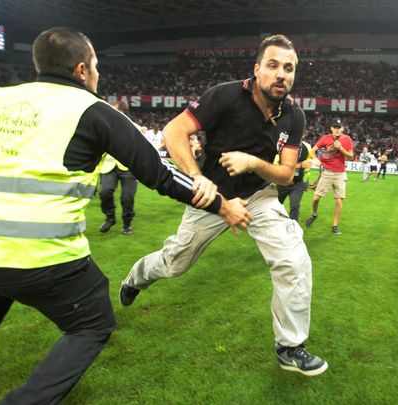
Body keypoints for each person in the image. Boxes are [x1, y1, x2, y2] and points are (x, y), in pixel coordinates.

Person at [0, 27, 249, 405]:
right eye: (97, 67)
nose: (98, 76)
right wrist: (221, 204)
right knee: (92, 323)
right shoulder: (93, 110)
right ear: (82, 70)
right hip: (42, 256)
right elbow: (157, 172)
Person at [119, 35, 328, 376]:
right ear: (257, 69)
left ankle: (290, 346)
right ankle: (136, 278)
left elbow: (287, 175)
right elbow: (174, 132)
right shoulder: (225, 95)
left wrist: (253, 162)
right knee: (174, 264)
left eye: (288, 69)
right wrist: (197, 176)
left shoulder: (293, 115)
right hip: (210, 198)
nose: (281, 74)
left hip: (259, 197)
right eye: (273, 65)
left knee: (293, 258)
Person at [305, 117, 354, 235]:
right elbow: (313, 150)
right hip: (326, 171)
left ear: (342, 128)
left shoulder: (347, 139)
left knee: (339, 200)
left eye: (339, 127)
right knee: (316, 198)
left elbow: (351, 156)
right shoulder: (325, 138)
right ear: (331, 128)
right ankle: (314, 214)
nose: (337, 130)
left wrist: (340, 148)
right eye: (335, 127)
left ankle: (335, 225)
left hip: (340, 173)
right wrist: (316, 159)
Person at [98, 101, 139, 235]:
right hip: (108, 165)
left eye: (115, 110)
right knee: (104, 192)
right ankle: (110, 217)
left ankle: (127, 224)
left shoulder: (134, 127)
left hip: (128, 167)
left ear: (123, 112)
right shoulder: (104, 126)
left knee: (127, 198)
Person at [276, 138, 312, 221]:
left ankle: (293, 228)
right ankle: (274, 224)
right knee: (276, 205)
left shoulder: (307, 147)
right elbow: (279, 165)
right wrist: (300, 165)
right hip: (283, 182)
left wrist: (306, 181)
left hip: (298, 183)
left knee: (295, 206)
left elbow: (307, 165)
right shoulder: (283, 146)